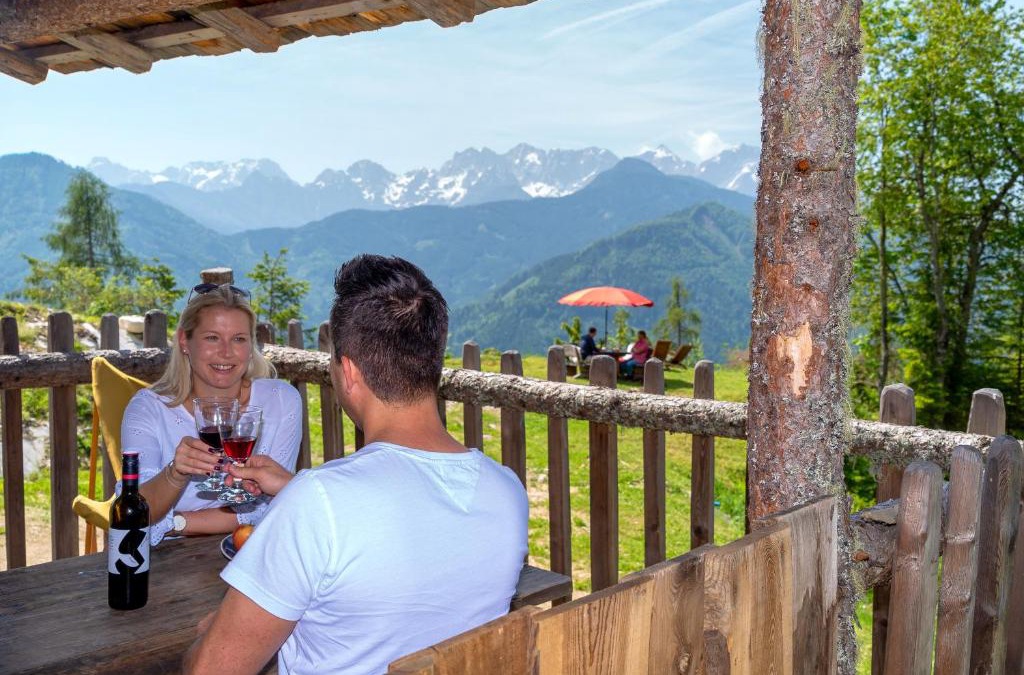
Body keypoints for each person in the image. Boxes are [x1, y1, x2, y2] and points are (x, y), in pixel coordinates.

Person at [184, 255, 529, 675]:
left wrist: (212, 629)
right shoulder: (507, 491)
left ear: (347, 372)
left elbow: (209, 671)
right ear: (433, 363)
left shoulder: (321, 502)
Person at [120, 283, 301, 544]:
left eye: (239, 339)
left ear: (251, 346)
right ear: (184, 341)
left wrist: (176, 523)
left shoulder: (280, 401)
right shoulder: (148, 409)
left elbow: (273, 507)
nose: (226, 352)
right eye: (212, 338)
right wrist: (175, 474)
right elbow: (133, 512)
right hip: (166, 564)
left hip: (248, 554)